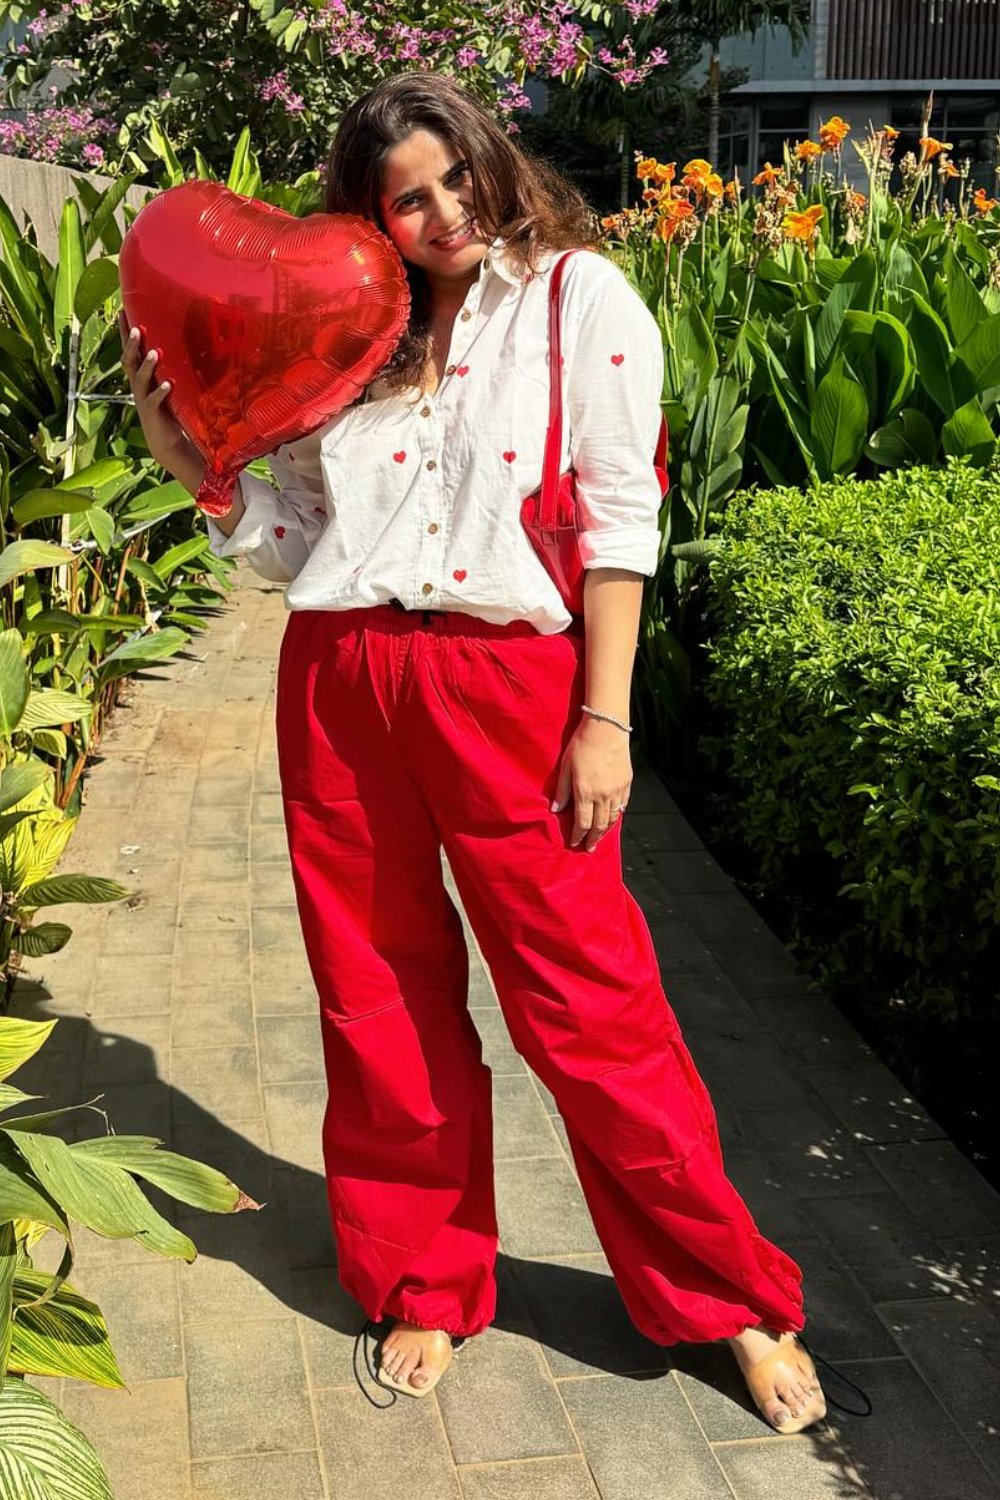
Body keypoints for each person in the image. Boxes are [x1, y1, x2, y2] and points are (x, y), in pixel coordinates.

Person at [120, 69, 828, 1433]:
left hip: (511, 687)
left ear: (492, 166)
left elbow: (624, 524)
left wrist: (604, 721)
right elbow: (293, 548)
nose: (441, 215)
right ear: (369, 217)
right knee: (375, 996)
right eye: (406, 198)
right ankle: (425, 1282)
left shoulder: (577, 303)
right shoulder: (350, 334)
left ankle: (722, 1291)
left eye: (454, 181)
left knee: (594, 1009)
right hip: (341, 684)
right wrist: (186, 458)